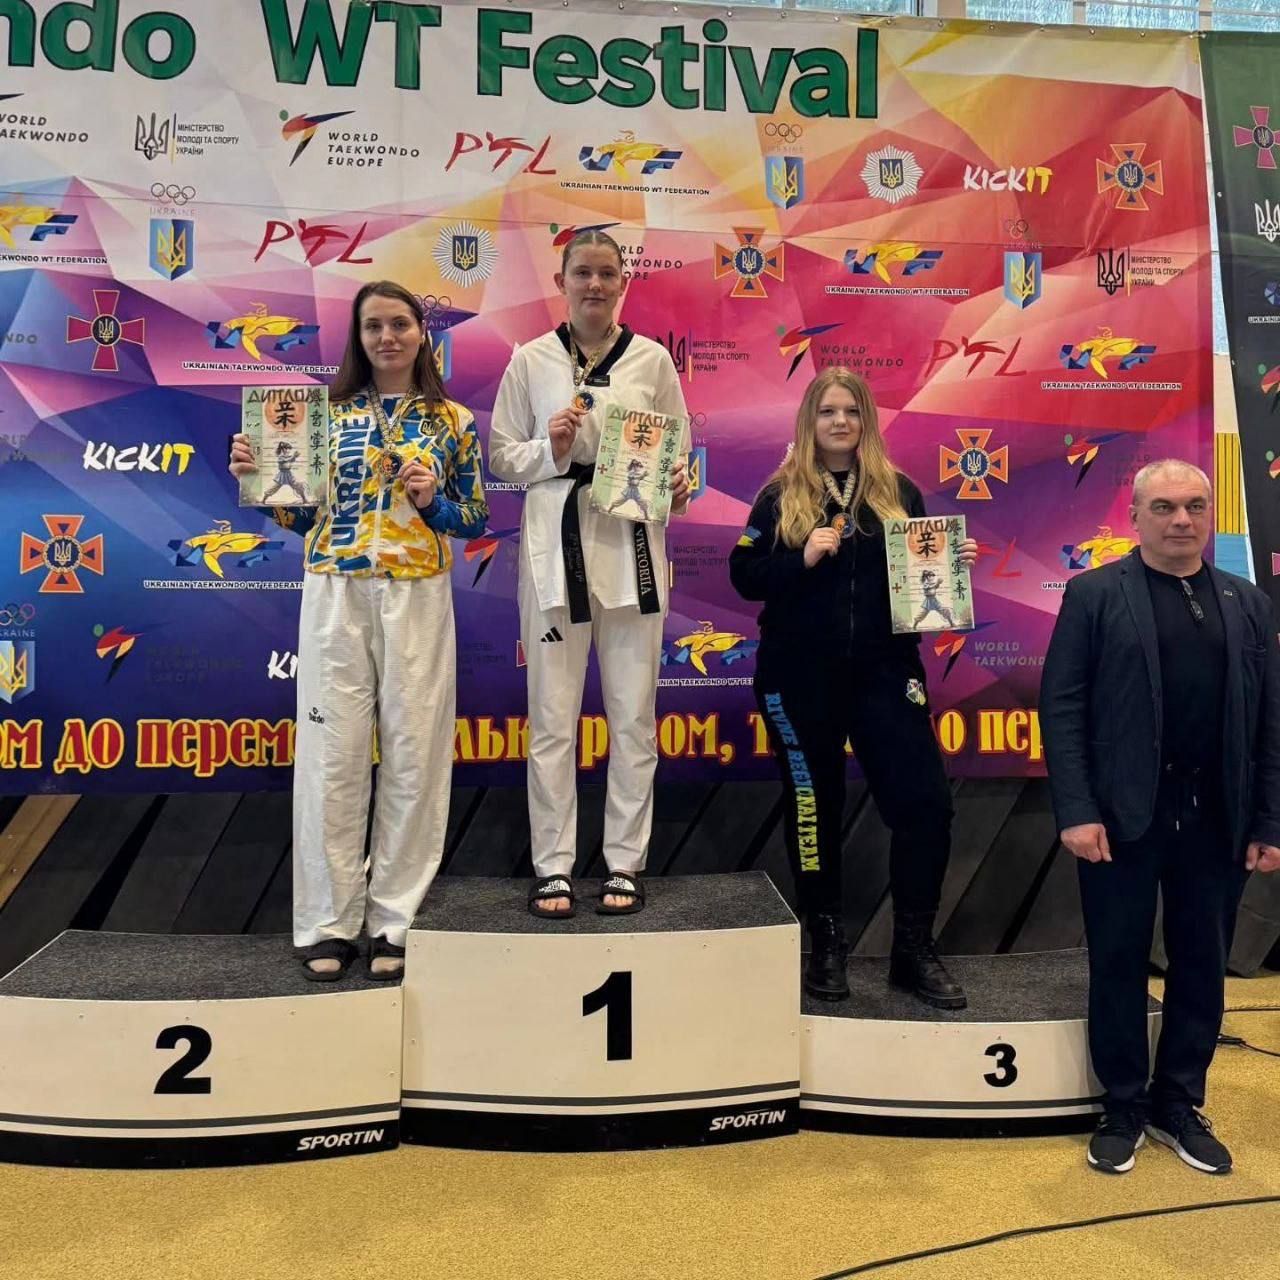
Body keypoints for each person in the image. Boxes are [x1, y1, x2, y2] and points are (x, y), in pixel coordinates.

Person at [229, 281, 488, 980]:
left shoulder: (453, 420)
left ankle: (395, 920)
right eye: (373, 326)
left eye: (399, 323)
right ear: (359, 337)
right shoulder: (322, 416)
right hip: (335, 589)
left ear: (421, 333)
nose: (387, 337)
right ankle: (328, 923)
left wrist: (432, 501)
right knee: (331, 755)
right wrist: (261, 484)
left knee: (415, 754)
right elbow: (301, 516)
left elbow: (473, 517)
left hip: (417, 591)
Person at [1041, 459, 1280, 1176]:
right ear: (1135, 517)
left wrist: (1269, 821)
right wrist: (1077, 811)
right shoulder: (1093, 595)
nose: (1182, 519)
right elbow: (1063, 708)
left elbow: (1270, 721)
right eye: (1166, 507)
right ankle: (1122, 1105)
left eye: (1195, 506)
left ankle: (1177, 1101)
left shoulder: (1247, 602)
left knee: (1202, 964)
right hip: (1119, 819)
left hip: (1218, 818)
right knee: (1116, 960)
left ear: (1210, 515)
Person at [728, 367, 977, 1007]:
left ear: (867, 420)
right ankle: (827, 943)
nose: (840, 422)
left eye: (852, 411)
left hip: (885, 673)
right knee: (814, 808)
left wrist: (948, 569)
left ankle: (913, 951)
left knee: (926, 805)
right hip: (798, 677)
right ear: (809, 421)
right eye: (827, 411)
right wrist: (801, 558)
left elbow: (919, 590)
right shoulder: (780, 494)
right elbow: (744, 575)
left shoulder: (899, 492)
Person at [489, 230, 689, 918]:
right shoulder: (531, 359)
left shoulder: (653, 360)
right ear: (562, 280)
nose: (595, 285)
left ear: (623, 281)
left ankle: (624, 862)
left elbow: (678, 456)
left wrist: (678, 484)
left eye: (607, 273)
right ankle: (553, 866)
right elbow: (501, 456)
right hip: (555, 546)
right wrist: (551, 447)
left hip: (632, 546)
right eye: (583, 273)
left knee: (632, 716)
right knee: (552, 718)